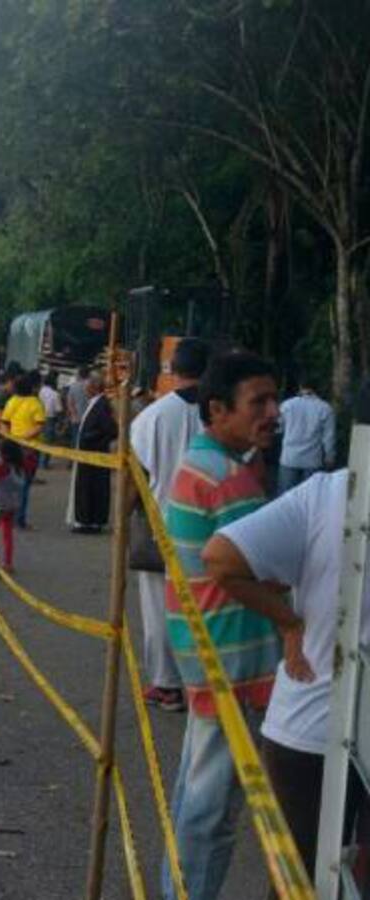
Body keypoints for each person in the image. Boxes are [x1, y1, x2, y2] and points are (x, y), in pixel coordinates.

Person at [202, 462, 370, 892]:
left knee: (298, 879)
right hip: (320, 725)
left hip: (309, 721)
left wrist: (291, 621)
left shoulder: (327, 492)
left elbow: (220, 558)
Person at [159, 351, 281, 900]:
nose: (273, 412)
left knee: (194, 797)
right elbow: (265, 570)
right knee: (214, 814)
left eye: (273, 399)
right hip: (231, 660)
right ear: (217, 409)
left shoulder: (203, 461)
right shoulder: (228, 479)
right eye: (259, 401)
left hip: (207, 652)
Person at [129, 338, 211, 713]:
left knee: (160, 608)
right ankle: (204, 682)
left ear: (171, 370)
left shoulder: (152, 417)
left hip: (163, 524)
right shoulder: (221, 412)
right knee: (206, 605)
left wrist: (122, 522)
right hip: (213, 527)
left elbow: (137, 476)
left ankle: (166, 685)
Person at [66, 372, 116, 533]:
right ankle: (85, 519)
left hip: (94, 454)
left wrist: (93, 440)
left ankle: (91, 521)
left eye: (88, 387)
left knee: (92, 488)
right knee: (86, 488)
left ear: (95, 388)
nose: (85, 389)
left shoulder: (101, 405)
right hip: (88, 455)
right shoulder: (95, 403)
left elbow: (111, 430)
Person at [0, 371, 45, 529]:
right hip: (29, 450)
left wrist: (10, 438)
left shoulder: (12, 401)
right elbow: (39, 426)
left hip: (12, 447)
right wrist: (24, 438)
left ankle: (8, 515)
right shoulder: (35, 403)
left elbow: (4, 422)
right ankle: (20, 519)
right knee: (24, 484)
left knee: (11, 481)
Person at [277, 377, 336, 495]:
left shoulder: (287, 405)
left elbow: (278, 429)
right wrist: (329, 457)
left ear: (300, 387)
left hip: (290, 458)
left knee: (285, 498)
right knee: (310, 498)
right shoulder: (325, 408)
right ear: (317, 389)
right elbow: (329, 437)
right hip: (312, 460)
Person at [0, 440, 32, 571]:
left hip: (0, 505)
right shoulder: (19, 467)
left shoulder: (1, 468)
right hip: (14, 505)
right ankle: (8, 562)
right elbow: (31, 462)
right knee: (7, 533)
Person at [38, 371, 63, 469]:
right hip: (50, 419)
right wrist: (60, 423)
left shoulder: (40, 391)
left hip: (38, 418)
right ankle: (44, 463)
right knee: (48, 442)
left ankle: (40, 463)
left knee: (40, 441)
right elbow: (59, 409)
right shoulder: (55, 394)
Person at [65, 365, 91, 455]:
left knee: (75, 439)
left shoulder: (73, 387)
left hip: (76, 418)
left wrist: (73, 415)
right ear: (88, 375)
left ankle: (73, 460)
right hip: (88, 419)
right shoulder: (91, 387)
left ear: (79, 375)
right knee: (86, 440)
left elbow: (70, 403)